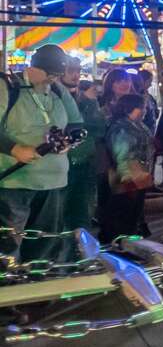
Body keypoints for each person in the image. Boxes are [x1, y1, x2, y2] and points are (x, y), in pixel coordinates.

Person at [0, 45, 84, 262]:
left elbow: (75, 123)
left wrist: (68, 142)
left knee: (46, 243)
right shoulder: (7, 87)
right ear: (34, 67)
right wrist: (15, 149)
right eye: (49, 73)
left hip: (53, 181)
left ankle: (40, 288)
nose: (52, 79)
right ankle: (10, 289)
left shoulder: (57, 90)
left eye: (57, 75)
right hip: (15, 181)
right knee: (8, 245)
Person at [100, 93, 154, 241]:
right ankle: (118, 245)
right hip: (127, 177)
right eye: (142, 108)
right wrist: (129, 179)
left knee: (133, 214)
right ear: (132, 108)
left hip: (138, 176)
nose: (145, 111)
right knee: (122, 214)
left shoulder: (137, 125)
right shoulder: (121, 127)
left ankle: (127, 243)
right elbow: (121, 155)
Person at [63, 76, 107, 232]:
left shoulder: (85, 101)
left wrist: (91, 102)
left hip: (84, 161)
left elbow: (98, 128)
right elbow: (83, 126)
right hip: (65, 163)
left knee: (82, 210)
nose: (75, 74)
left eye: (78, 70)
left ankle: (78, 246)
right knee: (65, 211)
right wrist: (89, 101)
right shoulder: (58, 96)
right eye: (71, 70)